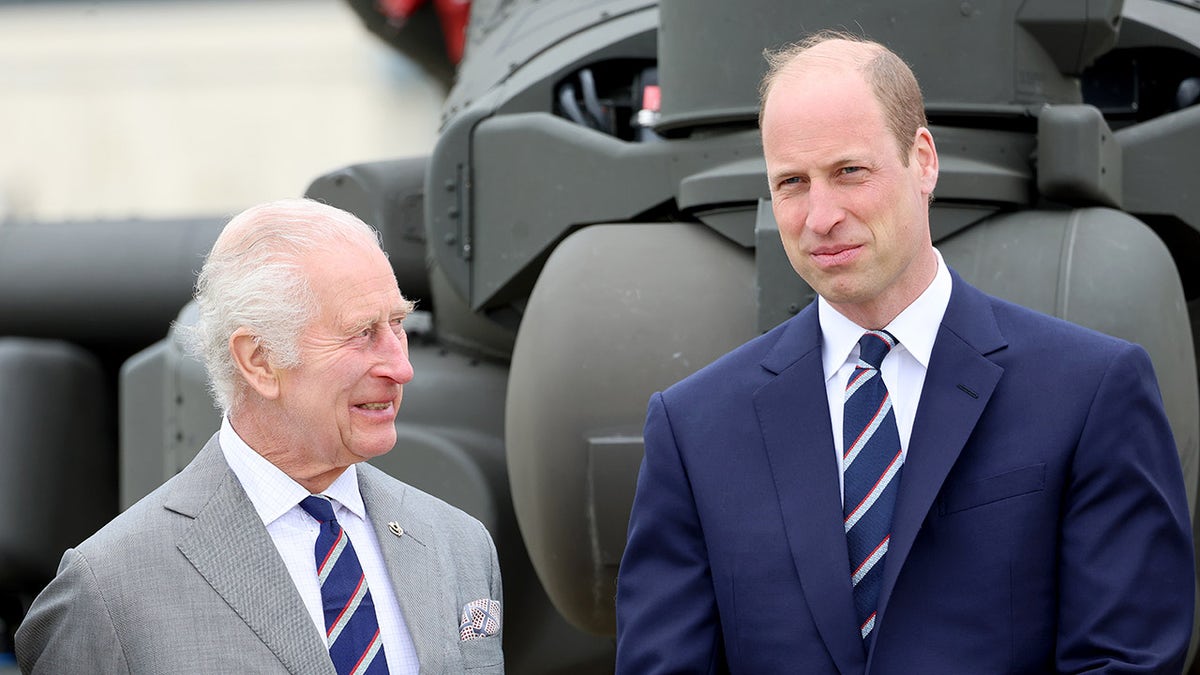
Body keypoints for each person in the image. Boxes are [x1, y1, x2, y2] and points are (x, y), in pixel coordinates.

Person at [615, 31, 1194, 674]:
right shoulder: (694, 429)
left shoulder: (1090, 392)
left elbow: (1125, 661)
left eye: (849, 172)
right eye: (791, 183)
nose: (820, 216)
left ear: (923, 160)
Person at [15, 199, 504, 674]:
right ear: (259, 361)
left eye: (397, 324)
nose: (401, 366)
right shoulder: (107, 591)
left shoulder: (458, 544)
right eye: (361, 333)